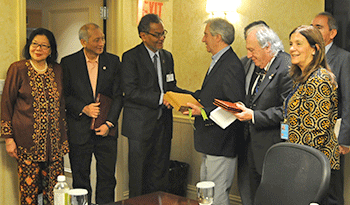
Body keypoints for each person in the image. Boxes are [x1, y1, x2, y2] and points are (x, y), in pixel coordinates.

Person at [121, 14, 190, 198]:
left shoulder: (167, 57)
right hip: (140, 127)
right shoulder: (130, 57)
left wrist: (190, 96)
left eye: (163, 33)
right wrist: (161, 99)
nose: (161, 38)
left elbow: (171, 87)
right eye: (156, 35)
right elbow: (130, 91)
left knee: (159, 175)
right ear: (143, 35)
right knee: (139, 176)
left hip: (163, 125)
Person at [1, 28, 69, 205]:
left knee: (55, 194)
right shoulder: (18, 68)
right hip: (27, 144)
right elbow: (6, 103)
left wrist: (63, 139)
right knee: (29, 195)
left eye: (44, 46)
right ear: (29, 46)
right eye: (34, 44)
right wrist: (8, 138)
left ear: (51, 50)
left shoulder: (58, 70)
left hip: (54, 145)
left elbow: (62, 105)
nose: (38, 49)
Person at [183, 18, 245, 205]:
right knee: (207, 195)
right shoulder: (219, 61)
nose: (203, 40)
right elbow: (209, 96)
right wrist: (182, 97)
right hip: (210, 141)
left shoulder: (231, 65)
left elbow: (235, 106)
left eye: (206, 35)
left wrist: (202, 111)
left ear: (218, 37)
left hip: (221, 143)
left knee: (216, 197)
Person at [61, 23, 123, 204]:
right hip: (79, 131)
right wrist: (83, 108)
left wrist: (109, 123)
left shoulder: (113, 61)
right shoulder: (68, 63)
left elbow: (118, 96)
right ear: (83, 42)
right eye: (96, 40)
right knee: (80, 179)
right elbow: (64, 96)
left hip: (106, 131)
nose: (101, 43)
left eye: (102, 38)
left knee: (107, 178)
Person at [233, 24, 293, 205]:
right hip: (248, 144)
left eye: (252, 50)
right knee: (249, 196)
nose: (249, 55)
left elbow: (288, 110)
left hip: (270, 147)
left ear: (267, 46)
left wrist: (253, 116)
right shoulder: (261, 65)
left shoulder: (286, 67)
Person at [286, 25, 340, 204]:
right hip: (302, 162)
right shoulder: (302, 78)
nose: (292, 49)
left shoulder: (320, 79)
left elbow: (316, 131)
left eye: (298, 44)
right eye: (291, 43)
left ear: (315, 49)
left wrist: (300, 168)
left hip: (315, 165)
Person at [312, 12, 350, 205]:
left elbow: (348, 100)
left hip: (332, 137)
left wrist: (344, 139)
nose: (313, 30)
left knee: (332, 192)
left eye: (319, 27)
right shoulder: (309, 56)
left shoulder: (343, 58)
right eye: (312, 26)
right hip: (308, 136)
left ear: (332, 33)